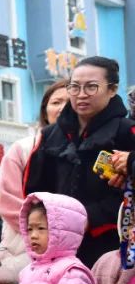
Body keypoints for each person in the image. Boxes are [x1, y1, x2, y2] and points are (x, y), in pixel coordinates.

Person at [25, 57, 135, 267]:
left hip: (112, 246)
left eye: (91, 87)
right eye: (74, 87)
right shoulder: (50, 136)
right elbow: (35, 189)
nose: (81, 94)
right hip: (58, 247)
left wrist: (89, 218)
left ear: (112, 90)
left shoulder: (126, 132)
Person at [0, 82, 69, 284]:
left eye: (68, 101)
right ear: (45, 110)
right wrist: (44, 230)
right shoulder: (23, 148)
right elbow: (7, 201)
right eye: (56, 102)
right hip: (26, 249)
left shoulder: (87, 147)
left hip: (74, 253)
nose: (62, 107)